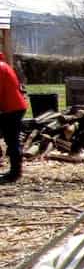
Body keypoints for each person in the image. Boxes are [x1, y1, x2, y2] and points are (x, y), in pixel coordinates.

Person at [0, 52, 27, 184]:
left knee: (12, 140)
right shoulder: (4, 65)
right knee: (11, 139)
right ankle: (15, 170)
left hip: (12, 108)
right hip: (15, 106)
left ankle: (15, 173)